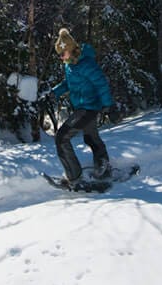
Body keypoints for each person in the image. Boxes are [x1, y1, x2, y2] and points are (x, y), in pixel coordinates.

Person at [49, 27, 114, 186]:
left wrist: (107, 106)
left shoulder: (86, 64)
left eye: (62, 54)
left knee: (62, 138)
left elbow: (101, 84)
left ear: (70, 49)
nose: (60, 57)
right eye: (59, 55)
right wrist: (54, 92)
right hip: (81, 107)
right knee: (90, 137)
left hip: (89, 107)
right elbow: (69, 83)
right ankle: (103, 166)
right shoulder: (69, 64)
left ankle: (75, 177)